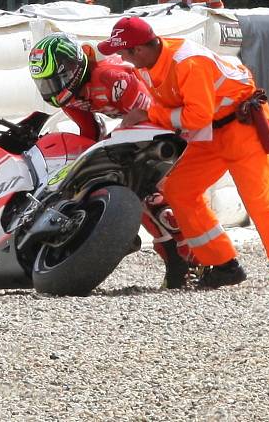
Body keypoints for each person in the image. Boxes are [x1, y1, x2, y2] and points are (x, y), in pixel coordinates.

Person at [98, 16, 269, 290]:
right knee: (180, 190)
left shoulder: (188, 63)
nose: (123, 58)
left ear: (140, 49)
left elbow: (195, 115)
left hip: (242, 128)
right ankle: (222, 265)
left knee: (259, 200)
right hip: (209, 132)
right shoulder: (147, 64)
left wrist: (149, 114)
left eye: (124, 52)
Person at [27, 32, 196, 289]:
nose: (52, 88)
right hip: (145, 125)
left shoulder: (111, 77)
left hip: (173, 122)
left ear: (73, 67)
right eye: (45, 83)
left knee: (156, 193)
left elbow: (150, 110)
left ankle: (197, 256)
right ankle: (175, 260)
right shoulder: (69, 97)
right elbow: (90, 135)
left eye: (56, 79)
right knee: (132, 193)